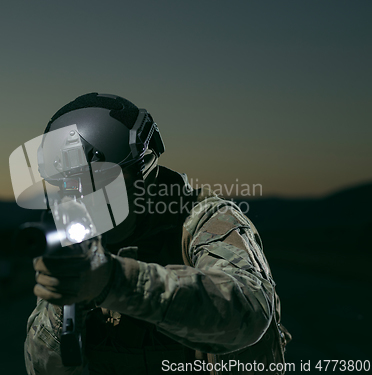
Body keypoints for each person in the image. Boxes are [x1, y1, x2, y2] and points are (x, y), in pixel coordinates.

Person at [23, 93, 290, 375]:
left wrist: (114, 282)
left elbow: (248, 314)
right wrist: (62, 306)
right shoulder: (79, 239)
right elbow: (43, 367)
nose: (79, 197)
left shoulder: (204, 220)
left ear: (142, 173)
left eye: (94, 181)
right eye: (68, 185)